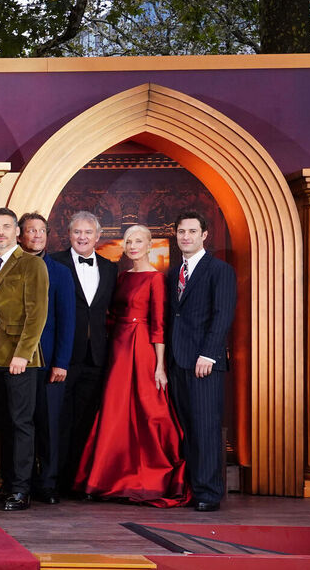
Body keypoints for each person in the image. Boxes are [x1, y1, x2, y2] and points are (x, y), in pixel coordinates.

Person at [73, 225, 189, 506]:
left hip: (143, 348)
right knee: (115, 410)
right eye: (128, 242)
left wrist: (160, 366)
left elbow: (159, 324)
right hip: (118, 347)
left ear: (149, 245)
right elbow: (110, 314)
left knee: (147, 410)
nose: (133, 246)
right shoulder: (122, 276)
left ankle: (148, 478)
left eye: (138, 241)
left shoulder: (156, 279)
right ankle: (107, 479)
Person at [166, 211, 236, 512]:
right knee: (187, 429)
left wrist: (208, 354)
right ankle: (192, 489)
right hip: (177, 361)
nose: (186, 237)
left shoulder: (220, 270)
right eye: (182, 231)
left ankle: (209, 493)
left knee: (205, 428)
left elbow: (222, 314)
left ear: (204, 235)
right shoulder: (173, 273)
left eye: (192, 231)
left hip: (204, 362)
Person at [0, 207, 49, 512]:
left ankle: (22, 489)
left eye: (6, 227)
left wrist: (23, 354)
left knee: (22, 423)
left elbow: (37, 314)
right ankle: (9, 484)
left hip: (20, 359)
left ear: (17, 232)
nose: (0, 232)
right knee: (4, 424)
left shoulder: (32, 264)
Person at [50, 210, 117, 496]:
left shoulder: (110, 268)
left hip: (97, 357)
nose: (82, 237)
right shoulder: (54, 262)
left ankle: (77, 482)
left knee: (85, 423)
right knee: (58, 421)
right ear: (69, 234)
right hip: (64, 357)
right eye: (77, 232)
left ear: (98, 236)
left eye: (88, 232)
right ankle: (53, 482)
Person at [19, 212, 76, 505]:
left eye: (41, 230)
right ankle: (23, 483)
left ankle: (49, 484)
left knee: (49, 425)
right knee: (22, 424)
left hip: (49, 360)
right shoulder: (12, 268)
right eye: (31, 230)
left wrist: (61, 362)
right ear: (21, 236)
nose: (37, 235)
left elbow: (67, 321)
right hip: (19, 361)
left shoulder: (61, 272)